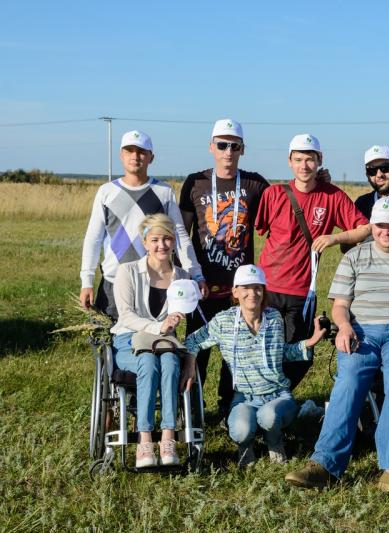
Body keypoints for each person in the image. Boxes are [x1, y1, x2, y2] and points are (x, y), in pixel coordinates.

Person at [285, 197, 389, 497]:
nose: (386, 232)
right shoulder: (354, 258)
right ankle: (325, 464)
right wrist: (344, 326)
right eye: (380, 226)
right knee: (348, 379)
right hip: (362, 331)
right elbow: (340, 306)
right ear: (372, 226)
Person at [254, 133, 370, 389]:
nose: (304, 166)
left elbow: (365, 228)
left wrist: (334, 238)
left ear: (319, 160)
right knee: (259, 350)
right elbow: (259, 229)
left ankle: (280, 401)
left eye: (309, 159)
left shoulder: (332, 196)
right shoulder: (273, 194)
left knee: (299, 356)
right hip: (267, 289)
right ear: (289, 162)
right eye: (298, 160)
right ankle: (251, 403)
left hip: (302, 293)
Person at [185, 265, 326, 468]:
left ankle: (274, 440)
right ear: (235, 291)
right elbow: (192, 341)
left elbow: (282, 352)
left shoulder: (275, 318)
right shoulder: (223, 322)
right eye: (246, 288)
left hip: (278, 394)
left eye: (258, 288)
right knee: (241, 430)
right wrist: (190, 364)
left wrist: (311, 341)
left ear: (264, 291)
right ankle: (246, 445)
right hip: (244, 397)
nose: (252, 293)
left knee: (269, 416)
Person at [180, 119, 269, 420]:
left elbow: (285, 205)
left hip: (239, 290)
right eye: (222, 145)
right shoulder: (195, 183)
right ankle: (191, 410)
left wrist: (321, 180)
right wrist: (188, 277)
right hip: (202, 286)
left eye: (234, 146)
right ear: (211, 147)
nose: (228, 151)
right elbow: (182, 235)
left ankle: (231, 408)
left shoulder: (256, 184)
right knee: (197, 350)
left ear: (243, 149)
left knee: (238, 353)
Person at [80, 131, 203, 318]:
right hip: (114, 282)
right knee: (108, 342)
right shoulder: (106, 192)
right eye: (129, 151)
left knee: (155, 341)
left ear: (151, 157)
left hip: (153, 282)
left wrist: (195, 273)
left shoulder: (163, 191)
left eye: (142, 152)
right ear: (121, 155)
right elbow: (93, 239)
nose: (135, 156)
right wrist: (86, 281)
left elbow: (180, 236)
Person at [110, 214, 199, 468]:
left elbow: (189, 319)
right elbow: (126, 316)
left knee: (171, 362)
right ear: (145, 242)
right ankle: (145, 438)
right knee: (147, 363)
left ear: (174, 242)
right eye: (155, 239)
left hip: (165, 343)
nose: (162, 245)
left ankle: (168, 436)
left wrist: (188, 355)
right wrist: (158, 326)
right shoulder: (127, 271)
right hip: (129, 339)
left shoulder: (182, 277)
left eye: (168, 238)